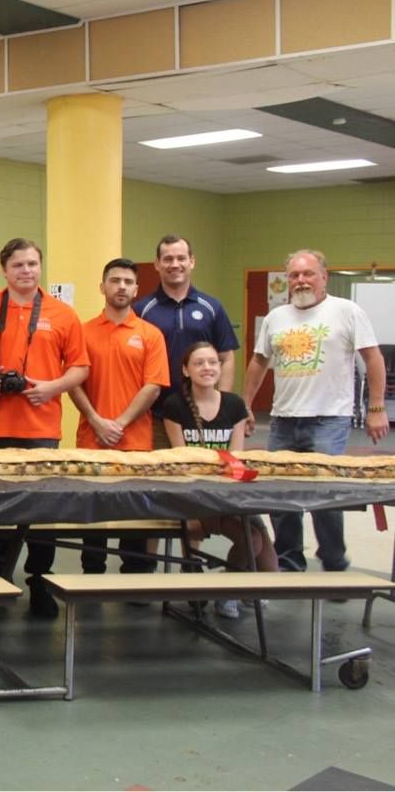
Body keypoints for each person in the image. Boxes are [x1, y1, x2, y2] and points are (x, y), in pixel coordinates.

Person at [242, 248, 389, 573]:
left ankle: (334, 562)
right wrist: (246, 404)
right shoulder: (276, 317)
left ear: (324, 277)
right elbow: (259, 361)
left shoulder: (347, 311)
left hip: (329, 419)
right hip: (283, 420)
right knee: (280, 495)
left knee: (325, 494)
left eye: (308, 273)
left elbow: (374, 358)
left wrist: (376, 408)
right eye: (294, 275)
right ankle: (288, 561)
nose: (301, 280)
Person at [0, 238, 89, 618]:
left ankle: (39, 580)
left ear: (40, 266)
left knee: (42, 510)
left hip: (41, 427)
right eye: (18, 265)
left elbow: (80, 367)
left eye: (32, 264)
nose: (26, 271)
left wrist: (52, 387)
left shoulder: (63, 314)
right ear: (4, 270)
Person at [68, 259, 169, 576]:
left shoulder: (151, 334)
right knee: (93, 515)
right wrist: (96, 421)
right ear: (102, 287)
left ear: (136, 290)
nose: (121, 287)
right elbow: (73, 382)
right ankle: (91, 577)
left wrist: (120, 423)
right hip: (92, 440)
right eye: (114, 280)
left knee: (133, 515)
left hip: (135, 442)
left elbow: (153, 386)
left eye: (127, 282)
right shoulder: (82, 332)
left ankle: (135, 578)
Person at [164, 342, 278, 618]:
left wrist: (231, 493)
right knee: (250, 541)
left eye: (213, 362)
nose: (207, 368)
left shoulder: (234, 404)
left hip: (228, 494)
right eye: (199, 363)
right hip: (194, 496)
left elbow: (235, 458)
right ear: (186, 370)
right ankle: (222, 587)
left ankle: (229, 585)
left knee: (270, 567)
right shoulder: (174, 405)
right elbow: (182, 459)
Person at [134, 235, 239, 448]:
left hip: (203, 418)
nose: (175, 264)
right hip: (155, 417)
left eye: (181, 258)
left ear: (192, 261)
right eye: (168, 259)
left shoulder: (212, 307)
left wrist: (223, 405)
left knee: (206, 469)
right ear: (157, 264)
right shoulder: (141, 310)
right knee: (160, 470)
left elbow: (226, 357)